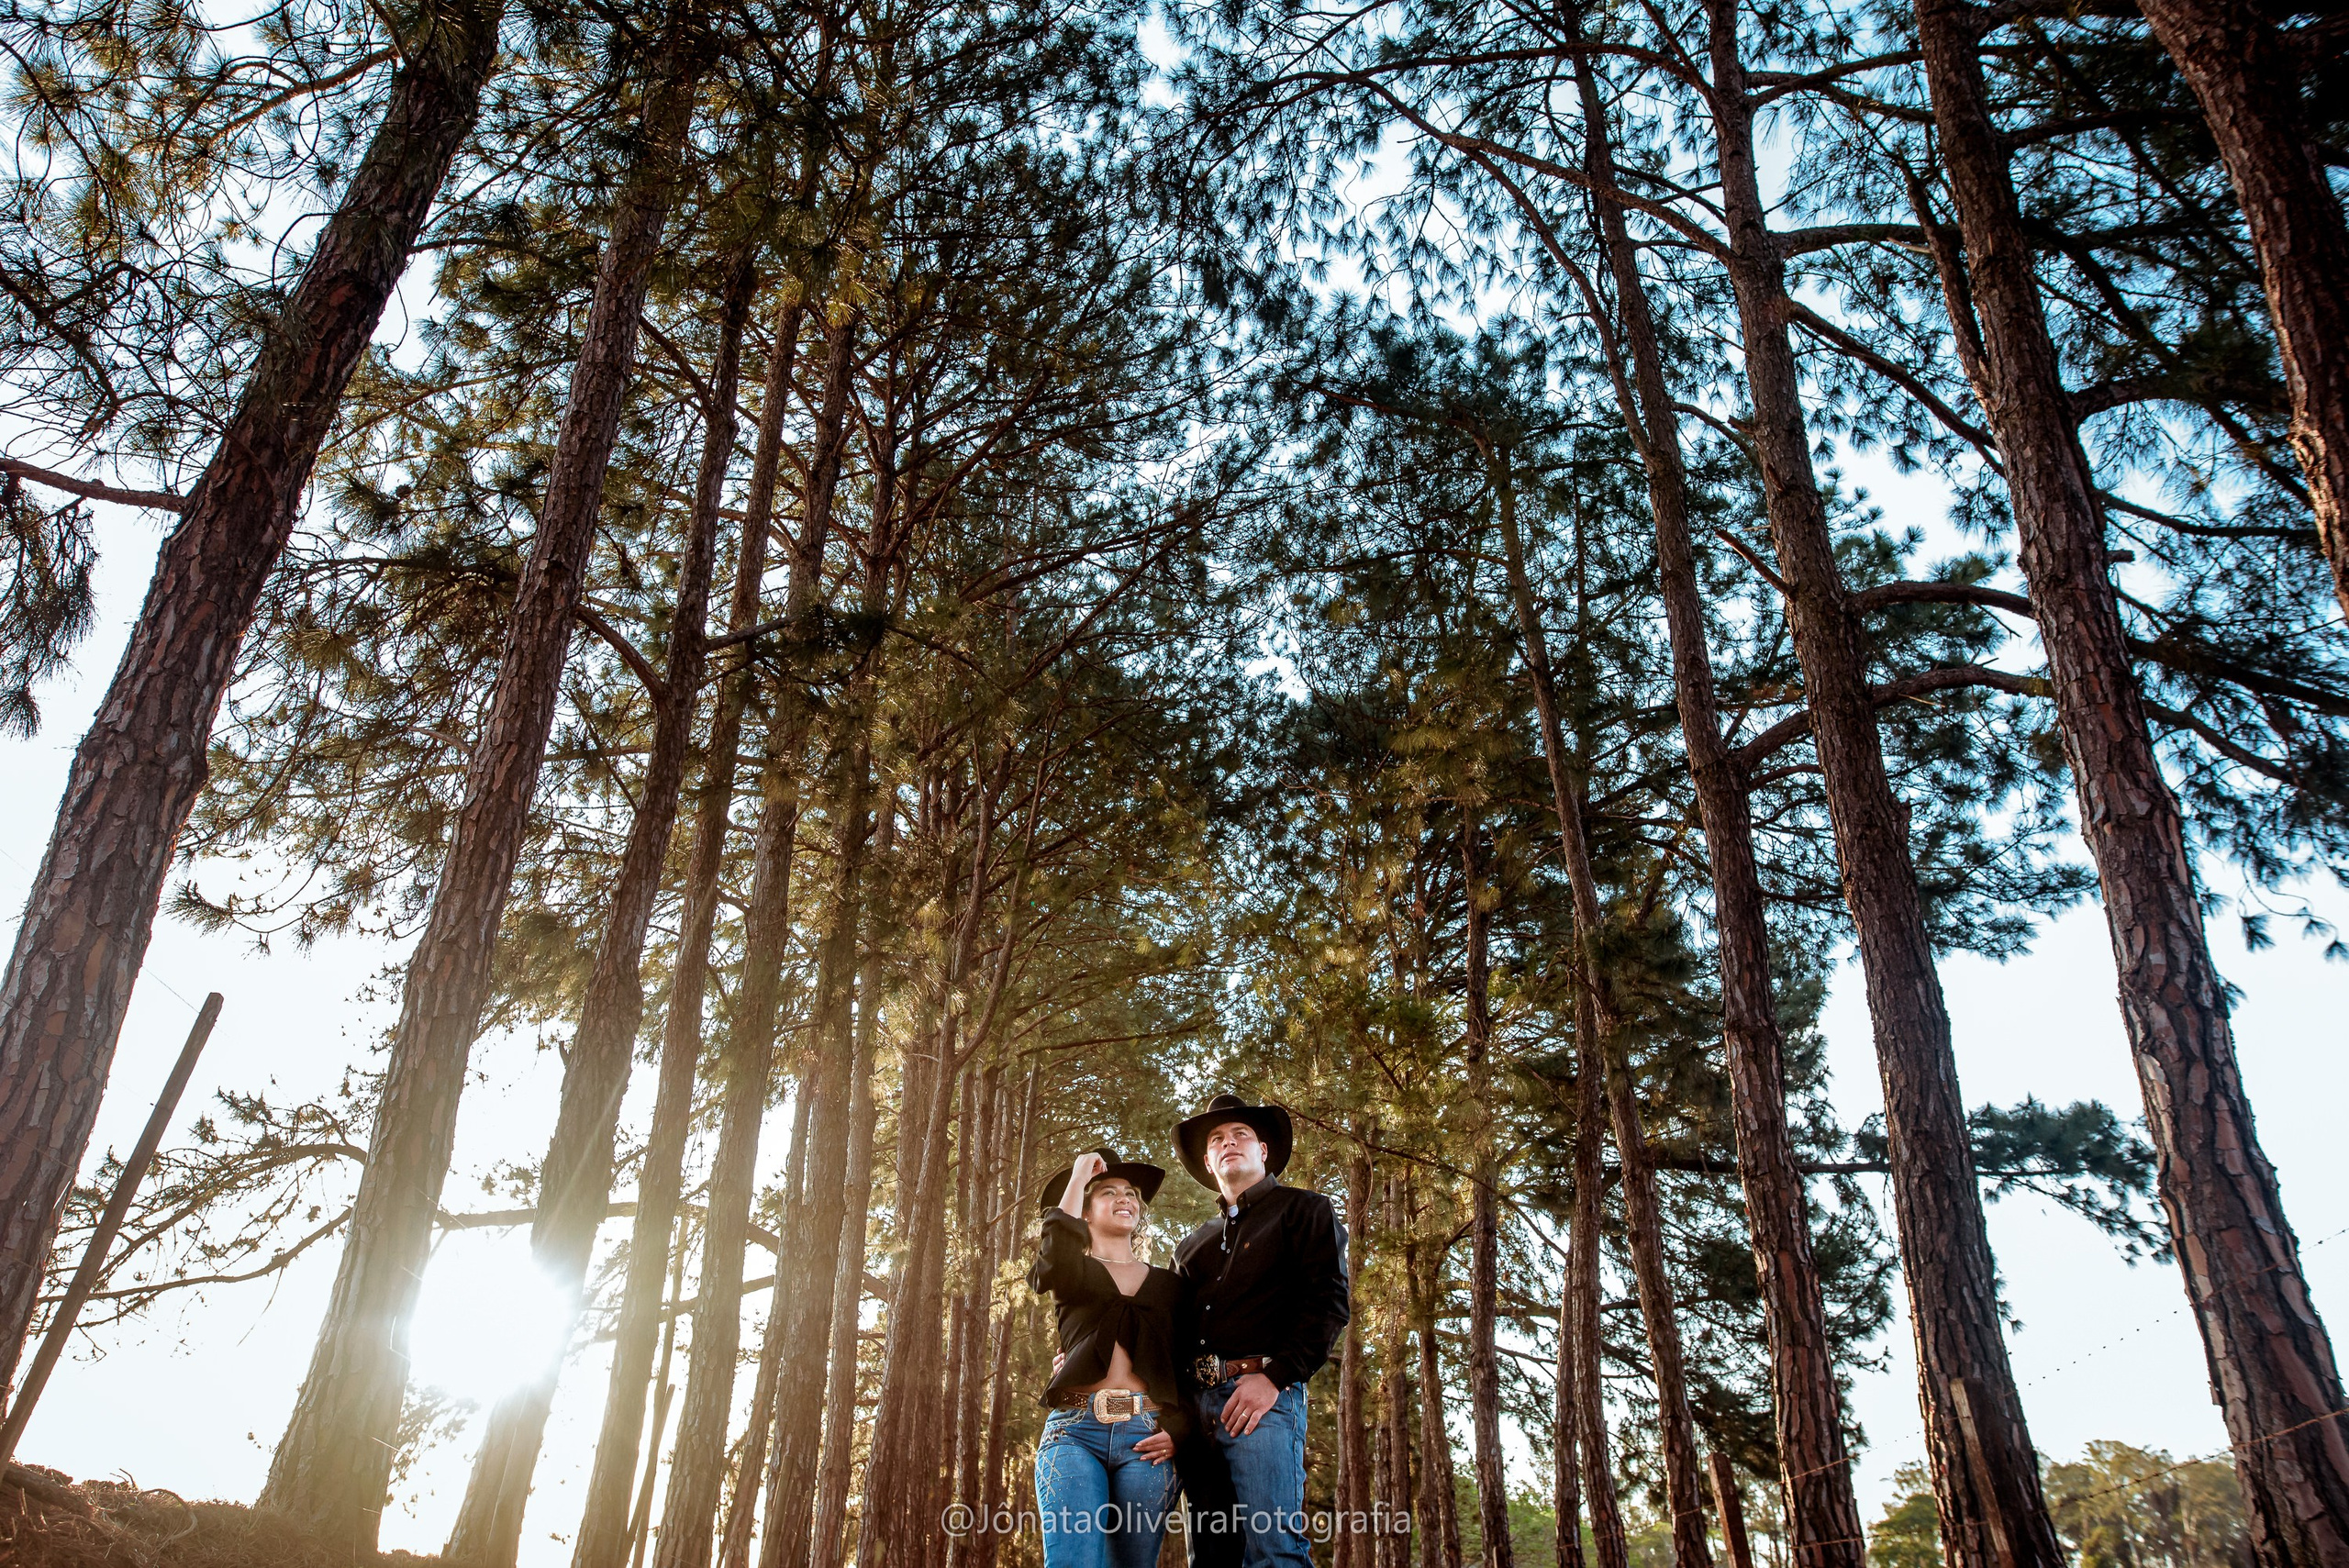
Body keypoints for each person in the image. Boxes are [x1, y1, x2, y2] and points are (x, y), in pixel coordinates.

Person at [1169, 1093, 1351, 1568]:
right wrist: (1084, 1351)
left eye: (1240, 1135)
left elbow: (1329, 1303)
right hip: (1195, 1416)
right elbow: (1166, 1330)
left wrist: (1274, 1377)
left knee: (1273, 1551)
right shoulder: (1191, 1246)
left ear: (1263, 1150)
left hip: (1262, 1403)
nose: (1228, 1143)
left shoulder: (1305, 1210)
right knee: (1211, 1558)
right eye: (1217, 1140)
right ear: (1208, 1162)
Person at [1030, 1146, 1188, 1568]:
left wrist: (1181, 1430)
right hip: (1074, 1433)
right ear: (1084, 1213)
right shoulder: (1072, 1274)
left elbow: (1187, 1365)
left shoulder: (1171, 1287)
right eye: (1108, 1192)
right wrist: (1079, 1174)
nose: (1124, 1198)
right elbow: (1053, 1257)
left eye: (1131, 1193)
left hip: (1147, 1439)